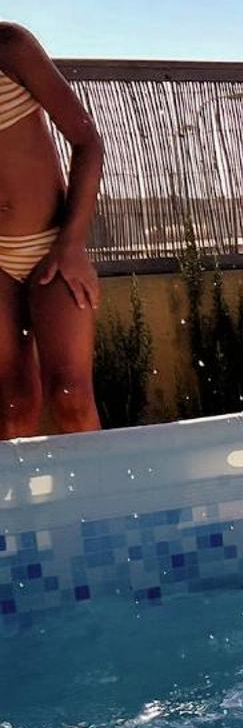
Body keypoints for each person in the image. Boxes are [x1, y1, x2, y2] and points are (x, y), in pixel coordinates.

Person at [0, 22, 103, 438]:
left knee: (71, 397)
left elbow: (87, 142)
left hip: (51, 247)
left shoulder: (10, 47)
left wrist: (72, 244)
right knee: (12, 406)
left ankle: (100, 505)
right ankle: (18, 505)